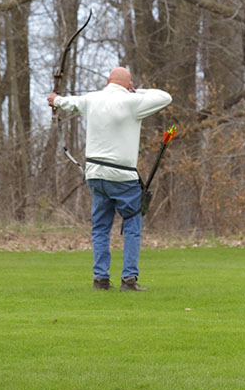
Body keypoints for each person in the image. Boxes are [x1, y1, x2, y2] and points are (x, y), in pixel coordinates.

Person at [48, 66, 172, 291]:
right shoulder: (132, 102)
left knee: (101, 227)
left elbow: (69, 102)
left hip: (95, 175)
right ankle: (129, 279)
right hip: (121, 176)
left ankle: (100, 278)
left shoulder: (93, 99)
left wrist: (56, 99)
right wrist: (135, 92)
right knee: (132, 224)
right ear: (128, 84)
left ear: (107, 81)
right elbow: (165, 97)